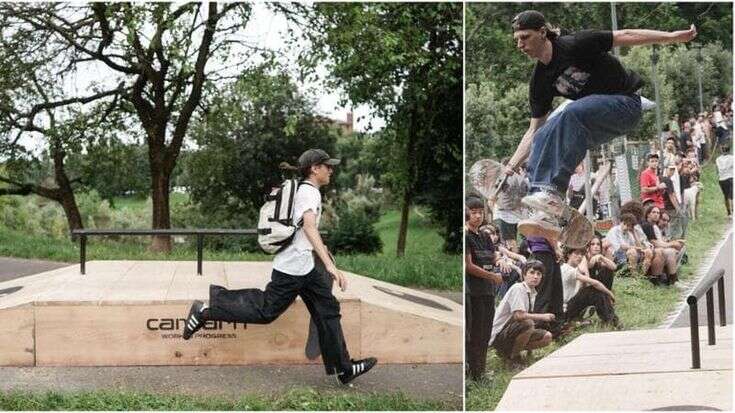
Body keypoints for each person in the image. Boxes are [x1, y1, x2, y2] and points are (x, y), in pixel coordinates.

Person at [180, 149, 376, 385]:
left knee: (327, 309)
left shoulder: (305, 191)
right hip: (294, 268)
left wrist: (326, 257)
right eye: (327, 166)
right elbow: (309, 228)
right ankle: (207, 310)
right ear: (315, 168)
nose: (331, 170)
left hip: (304, 267)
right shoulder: (309, 192)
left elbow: (303, 230)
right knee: (265, 310)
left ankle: (344, 369)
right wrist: (329, 266)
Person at [503, 10, 696, 239]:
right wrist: (509, 167)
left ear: (542, 32)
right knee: (546, 130)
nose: (520, 44)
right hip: (596, 122)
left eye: (525, 37)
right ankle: (545, 206)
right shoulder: (539, 81)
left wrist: (672, 37)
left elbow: (626, 35)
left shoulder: (575, 44)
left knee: (569, 112)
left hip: (625, 106)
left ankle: (551, 190)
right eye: (516, 39)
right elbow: (533, 131)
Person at [465, 197, 503, 381]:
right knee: (476, 332)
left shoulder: (485, 236)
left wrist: (501, 261)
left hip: (489, 291)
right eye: (474, 212)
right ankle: (475, 373)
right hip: (475, 291)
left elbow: (493, 256)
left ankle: (481, 369)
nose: (478, 216)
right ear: (466, 213)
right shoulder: (466, 237)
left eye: (481, 212)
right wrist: (492, 276)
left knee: (486, 331)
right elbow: (468, 266)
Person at [490, 260, 554, 367]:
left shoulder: (532, 292)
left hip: (513, 331)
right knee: (527, 323)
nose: (535, 276)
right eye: (532, 272)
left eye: (539, 274)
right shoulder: (518, 288)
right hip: (499, 334)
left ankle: (510, 352)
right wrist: (543, 316)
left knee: (547, 337)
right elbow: (519, 316)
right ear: (524, 274)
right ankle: (512, 359)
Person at [561, 248, 619, 327]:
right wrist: (609, 293)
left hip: (570, 305)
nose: (579, 256)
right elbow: (595, 283)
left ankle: (610, 320)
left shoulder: (575, 269)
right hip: (565, 310)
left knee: (595, 290)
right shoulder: (567, 269)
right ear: (568, 255)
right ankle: (611, 321)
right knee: (594, 289)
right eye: (576, 254)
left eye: (581, 254)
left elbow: (613, 267)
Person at [489, 159, 528, 251]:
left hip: (518, 215)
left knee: (527, 238)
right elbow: (491, 199)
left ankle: (521, 258)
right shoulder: (498, 180)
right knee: (509, 241)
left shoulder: (521, 180)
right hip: (504, 216)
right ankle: (517, 261)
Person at [605, 213, 654, 278]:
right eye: (624, 224)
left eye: (628, 226)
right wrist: (636, 248)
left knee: (648, 252)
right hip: (616, 256)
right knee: (632, 252)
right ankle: (634, 276)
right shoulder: (614, 230)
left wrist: (634, 233)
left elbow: (639, 246)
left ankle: (642, 275)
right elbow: (621, 247)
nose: (625, 227)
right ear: (620, 222)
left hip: (628, 256)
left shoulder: (629, 233)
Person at [716, 144, 733, 217]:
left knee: (726, 196)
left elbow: (717, 170)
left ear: (722, 151)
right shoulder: (732, 158)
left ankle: (729, 212)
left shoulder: (718, 159)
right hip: (730, 177)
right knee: (732, 195)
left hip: (722, 179)